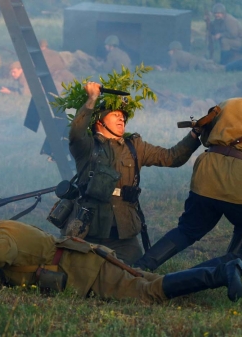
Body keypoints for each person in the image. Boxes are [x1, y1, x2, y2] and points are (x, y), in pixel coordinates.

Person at [134, 69, 242, 275]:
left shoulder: (226, 104)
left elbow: (206, 138)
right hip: (241, 187)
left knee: (188, 229)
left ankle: (140, 267)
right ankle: (224, 272)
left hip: (206, 177)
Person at [0, 210, 242, 303]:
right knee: (156, 281)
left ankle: (222, 273)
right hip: (91, 263)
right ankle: (240, 261)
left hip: (90, 271)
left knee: (150, 293)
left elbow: (3, 254)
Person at [64, 81, 201, 265]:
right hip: (88, 229)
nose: (122, 119)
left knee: (135, 275)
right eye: (115, 114)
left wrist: (194, 135)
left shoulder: (135, 147)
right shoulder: (87, 146)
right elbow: (76, 132)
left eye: (123, 116)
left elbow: (172, 157)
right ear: (99, 121)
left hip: (123, 234)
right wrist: (91, 99)